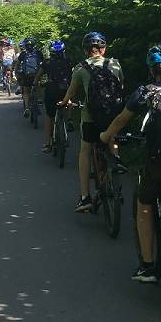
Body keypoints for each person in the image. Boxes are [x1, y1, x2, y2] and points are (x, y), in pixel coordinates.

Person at [101, 43, 161, 282]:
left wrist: (106, 136)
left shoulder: (145, 92)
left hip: (159, 156)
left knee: (144, 203)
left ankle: (147, 267)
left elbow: (122, 120)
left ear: (151, 68)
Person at [58, 31, 124, 212]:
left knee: (85, 151)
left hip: (90, 116)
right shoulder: (115, 64)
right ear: (104, 49)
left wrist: (65, 102)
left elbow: (71, 92)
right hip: (113, 115)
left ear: (85, 50)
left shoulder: (80, 68)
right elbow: (121, 87)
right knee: (111, 138)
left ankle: (85, 197)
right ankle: (116, 161)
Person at [40, 41, 72, 152]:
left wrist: (36, 83)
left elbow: (39, 75)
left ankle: (48, 143)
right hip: (66, 90)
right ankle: (69, 120)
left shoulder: (47, 62)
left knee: (49, 116)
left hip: (51, 91)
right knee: (68, 100)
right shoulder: (68, 61)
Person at [15, 37, 43, 118]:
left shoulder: (23, 54)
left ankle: (27, 108)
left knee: (26, 91)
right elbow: (43, 63)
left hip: (26, 75)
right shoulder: (38, 52)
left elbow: (17, 64)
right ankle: (39, 98)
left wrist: (16, 71)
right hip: (36, 74)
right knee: (37, 85)